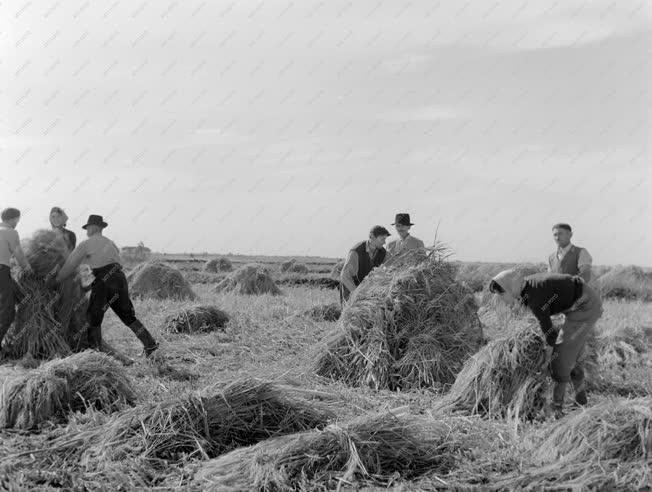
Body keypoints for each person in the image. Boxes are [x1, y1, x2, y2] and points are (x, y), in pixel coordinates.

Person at [489, 269, 603, 419]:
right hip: (579, 301)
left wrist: (547, 359)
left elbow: (550, 335)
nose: (502, 299)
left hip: (584, 306)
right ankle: (581, 401)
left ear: (512, 287)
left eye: (502, 294)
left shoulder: (535, 298)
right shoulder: (526, 286)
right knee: (572, 355)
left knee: (560, 358)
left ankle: (556, 410)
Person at [53, 214, 158, 358]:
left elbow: (69, 265)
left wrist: (56, 281)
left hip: (104, 280)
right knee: (128, 316)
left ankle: (96, 354)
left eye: (87, 228)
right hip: (120, 278)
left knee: (93, 318)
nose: (86, 231)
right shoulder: (110, 243)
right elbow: (108, 262)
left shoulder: (86, 244)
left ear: (93, 228)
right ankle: (150, 344)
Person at [0, 208, 32, 350]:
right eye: (17, 219)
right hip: (1, 270)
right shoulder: (11, 232)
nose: (17, 222)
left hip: (4, 271)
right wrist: (29, 269)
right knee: (8, 311)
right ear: (13, 219)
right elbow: (18, 253)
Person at [339, 225, 390, 304]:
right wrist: (357, 294)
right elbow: (344, 276)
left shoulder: (383, 252)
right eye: (382, 239)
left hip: (365, 289)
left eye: (385, 239)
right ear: (372, 237)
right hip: (351, 288)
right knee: (351, 313)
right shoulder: (356, 252)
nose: (384, 242)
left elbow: (391, 265)